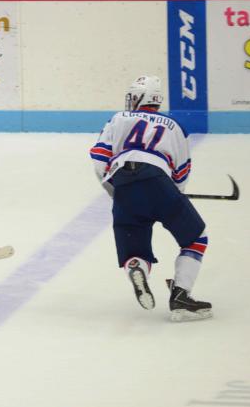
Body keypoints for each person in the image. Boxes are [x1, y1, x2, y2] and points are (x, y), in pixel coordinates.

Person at [89, 75, 212, 322]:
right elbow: (181, 174)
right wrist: (170, 197)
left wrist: (116, 192)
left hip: (123, 183)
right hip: (159, 182)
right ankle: (180, 296)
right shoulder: (175, 126)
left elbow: (99, 160)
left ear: (141, 98)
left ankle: (137, 266)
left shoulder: (118, 118)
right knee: (196, 239)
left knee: (135, 248)